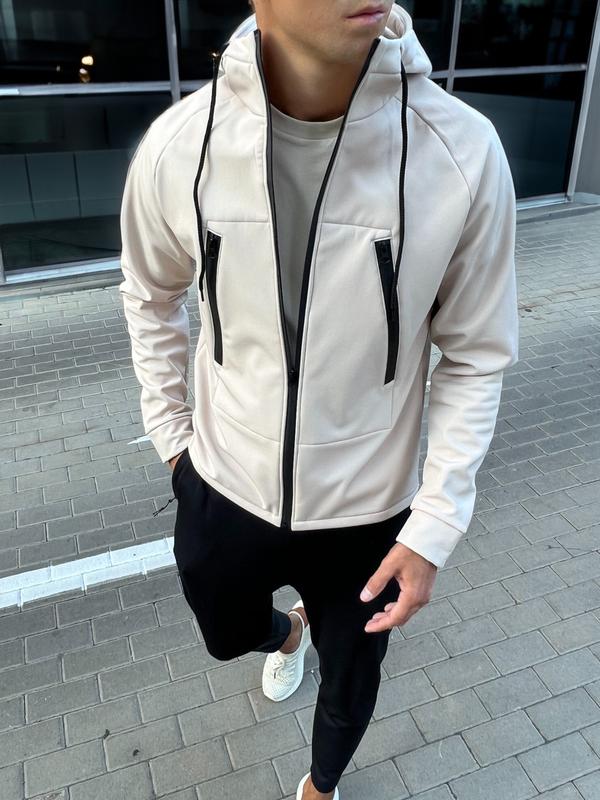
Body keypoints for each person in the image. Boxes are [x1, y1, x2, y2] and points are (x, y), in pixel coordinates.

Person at [118, 2, 519, 798]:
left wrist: (436, 523)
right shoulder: (182, 144)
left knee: (352, 679)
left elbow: (476, 353)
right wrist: (171, 436)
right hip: (225, 483)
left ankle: (322, 786)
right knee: (224, 633)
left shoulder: (460, 151)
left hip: (370, 508)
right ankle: (282, 633)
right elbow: (149, 293)